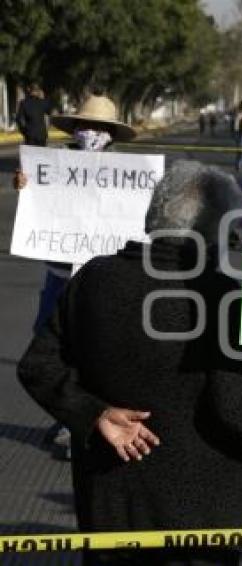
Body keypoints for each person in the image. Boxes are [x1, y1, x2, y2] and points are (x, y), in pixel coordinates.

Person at [18, 161, 242, 566]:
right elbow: (235, 406)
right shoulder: (220, 297)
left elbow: (39, 365)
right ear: (213, 234)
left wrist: (94, 414)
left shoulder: (92, 278)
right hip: (201, 521)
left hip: (112, 505)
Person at [13, 92, 137, 459]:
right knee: (50, 344)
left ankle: (85, 420)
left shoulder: (129, 172)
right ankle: (70, 413)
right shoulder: (53, 162)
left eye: (99, 127)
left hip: (102, 277)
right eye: (85, 125)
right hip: (58, 273)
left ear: (110, 133)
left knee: (95, 347)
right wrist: (23, 185)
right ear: (75, 128)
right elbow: (37, 202)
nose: (91, 132)